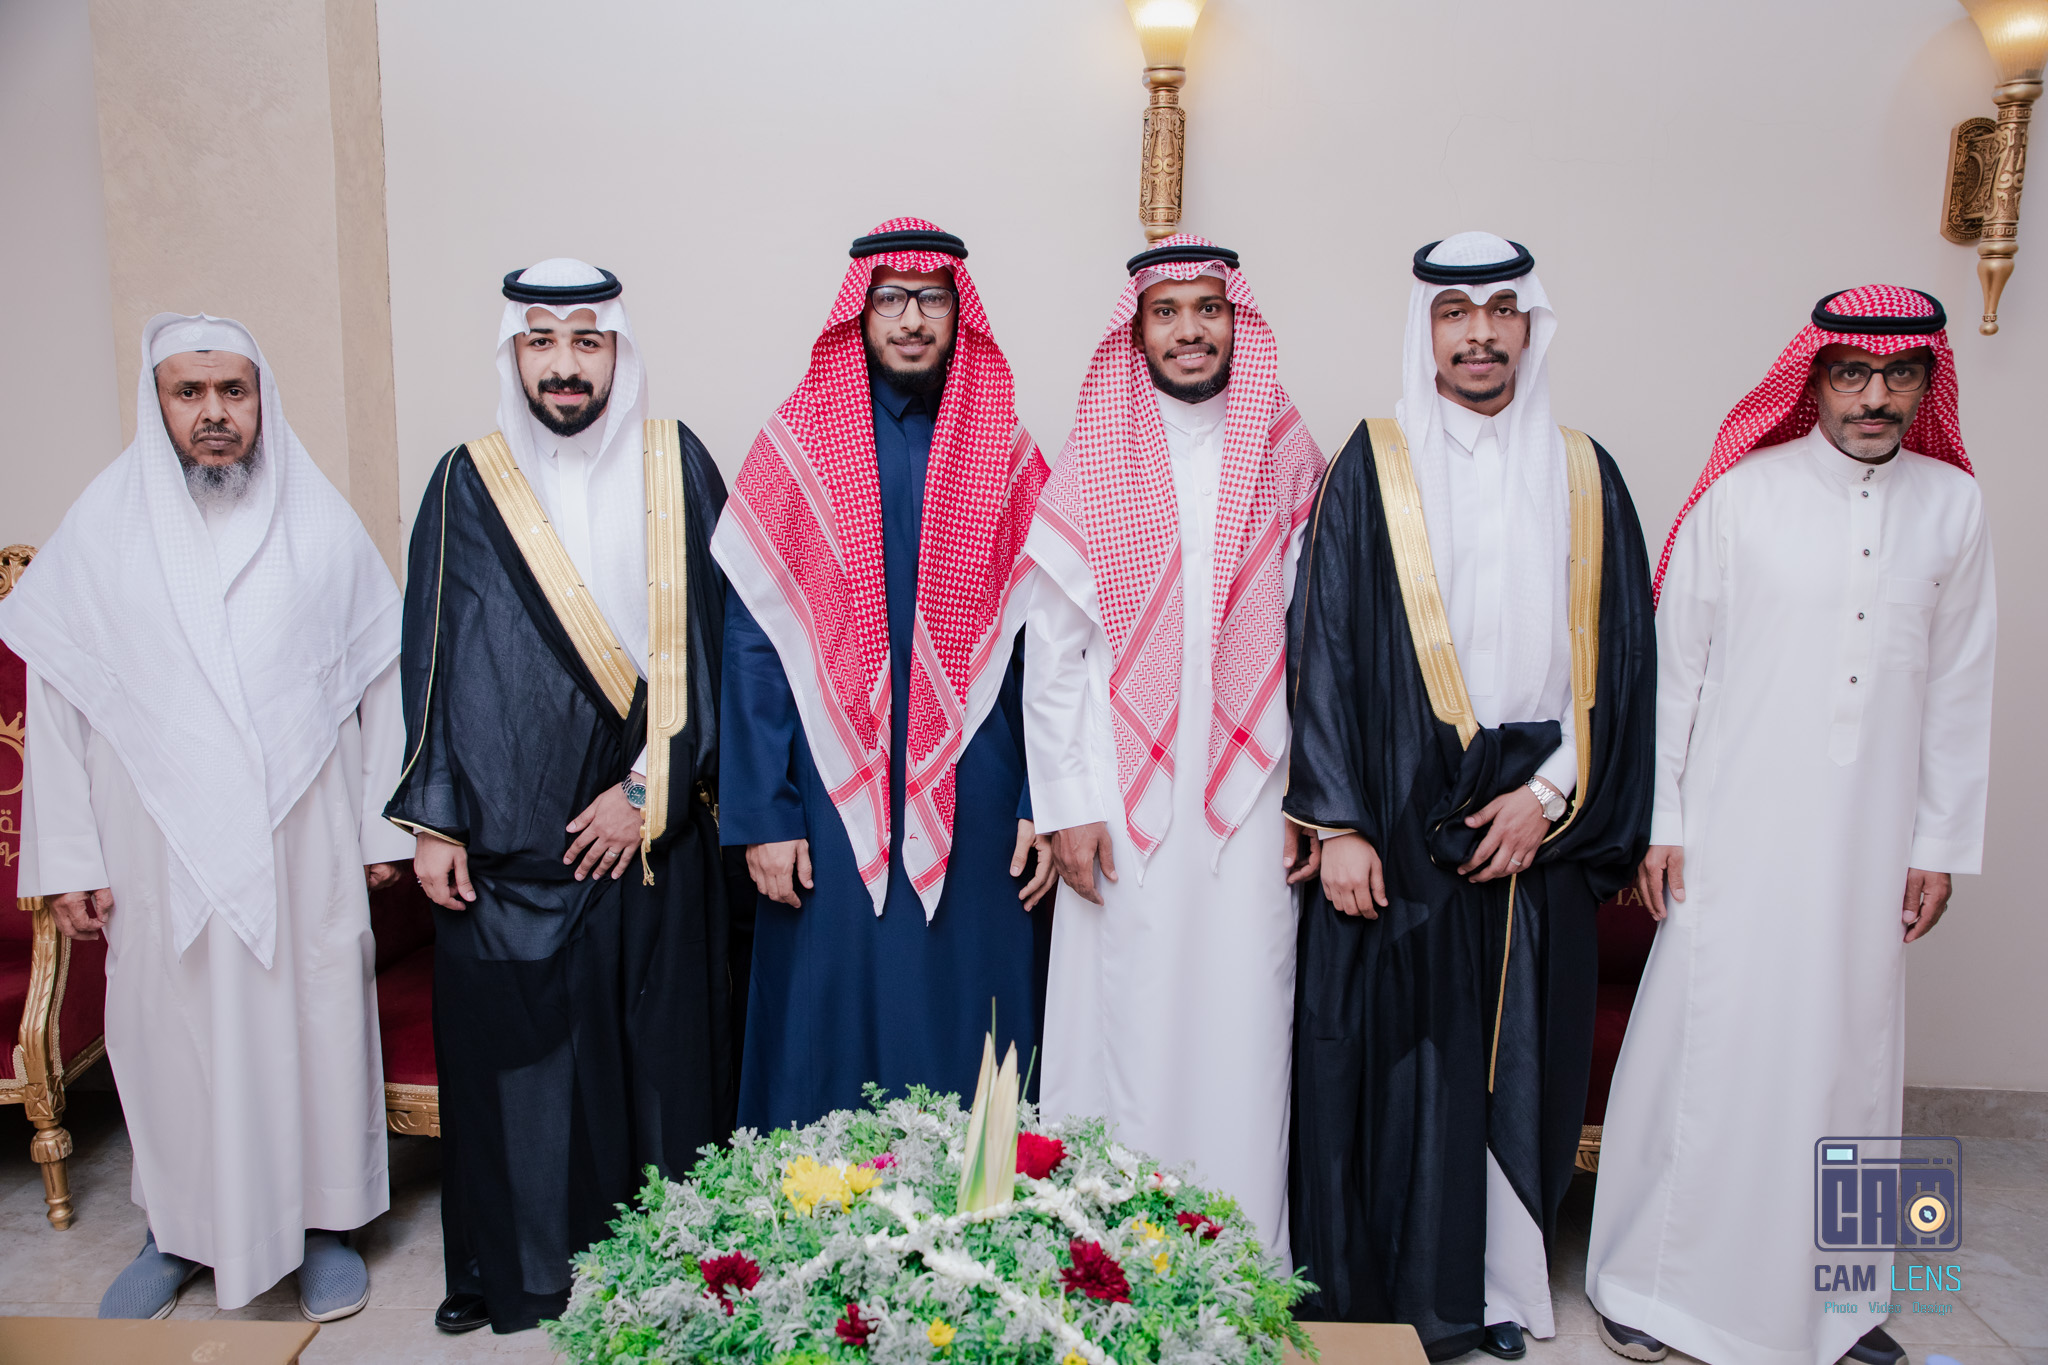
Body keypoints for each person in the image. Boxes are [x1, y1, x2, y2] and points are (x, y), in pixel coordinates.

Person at [1586, 286, 1994, 1365]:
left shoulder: (1953, 506)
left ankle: (1845, 1303)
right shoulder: (1741, 496)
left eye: (1897, 375)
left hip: (1871, 843)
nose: (1874, 397)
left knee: (1855, 1061)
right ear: (1813, 380)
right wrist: (1663, 820)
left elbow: (1961, 683)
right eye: (1851, 374)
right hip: (1732, 833)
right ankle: (1644, 1284)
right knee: (1705, 1051)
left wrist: (1939, 844)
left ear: (1925, 384)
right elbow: (1674, 672)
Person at [1286, 234, 1655, 1361]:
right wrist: (1338, 823)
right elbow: (1322, 649)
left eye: (1501, 310)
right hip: (1398, 818)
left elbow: (1627, 663)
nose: (1480, 334)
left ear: (1530, 325)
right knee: (1405, 1065)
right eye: (1455, 314)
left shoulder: (1587, 474)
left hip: (1535, 822)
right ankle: (1412, 1298)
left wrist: (1549, 794)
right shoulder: (1371, 463)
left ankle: (1497, 1291)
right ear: (1427, 330)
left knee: (1519, 1057)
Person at [2, 313, 407, 1321]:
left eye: (234, 391)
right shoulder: (103, 530)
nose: (214, 413)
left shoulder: (319, 525)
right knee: (170, 1033)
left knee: (314, 1019)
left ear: (262, 398)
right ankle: (177, 1231)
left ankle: (325, 1225)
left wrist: (379, 828)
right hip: (153, 844)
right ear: (159, 404)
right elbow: (57, 700)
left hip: (302, 838)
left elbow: (380, 682)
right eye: (190, 393)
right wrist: (69, 857)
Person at [384, 260, 732, 1334]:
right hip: (507, 839)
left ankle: (665, 1277)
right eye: (541, 340)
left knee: (657, 1060)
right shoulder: (466, 479)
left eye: (587, 340)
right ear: (514, 354)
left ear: (617, 351)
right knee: (523, 1065)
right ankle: (525, 1270)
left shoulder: (676, 461)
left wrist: (646, 791)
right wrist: (435, 816)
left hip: (649, 827)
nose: (565, 364)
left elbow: (721, 646)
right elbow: (431, 651)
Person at [714, 218, 1055, 1131]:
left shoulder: (1008, 454)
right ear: (858, 314)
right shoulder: (797, 449)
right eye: (892, 299)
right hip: (830, 795)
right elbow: (753, 642)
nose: (912, 319)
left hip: (980, 793)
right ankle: (818, 1210)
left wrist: (1042, 799)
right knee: (830, 1016)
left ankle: (985, 1209)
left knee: (970, 1012)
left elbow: (1050, 647)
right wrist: (765, 814)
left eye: (932, 299)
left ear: (958, 312)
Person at [1022, 236, 1326, 1258]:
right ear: (1137, 330)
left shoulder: (1286, 450)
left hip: (1256, 788)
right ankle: (1104, 1254)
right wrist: (1067, 805)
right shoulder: (1095, 454)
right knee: (1127, 1012)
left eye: (1209, 309)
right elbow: (1053, 656)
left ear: (1238, 322)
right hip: (1119, 792)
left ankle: (1239, 1257)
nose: (1190, 330)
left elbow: (1323, 644)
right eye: (1167, 312)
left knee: (1247, 1015)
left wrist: (1316, 801)